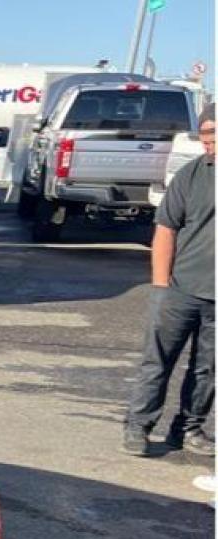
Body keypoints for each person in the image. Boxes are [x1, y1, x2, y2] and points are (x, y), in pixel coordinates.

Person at [123, 103, 215, 456]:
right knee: (157, 360)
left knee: (207, 370)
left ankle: (188, 429)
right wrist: (161, 286)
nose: (206, 143)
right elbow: (165, 230)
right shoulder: (192, 176)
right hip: (180, 289)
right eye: (204, 136)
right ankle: (138, 426)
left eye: (212, 135)